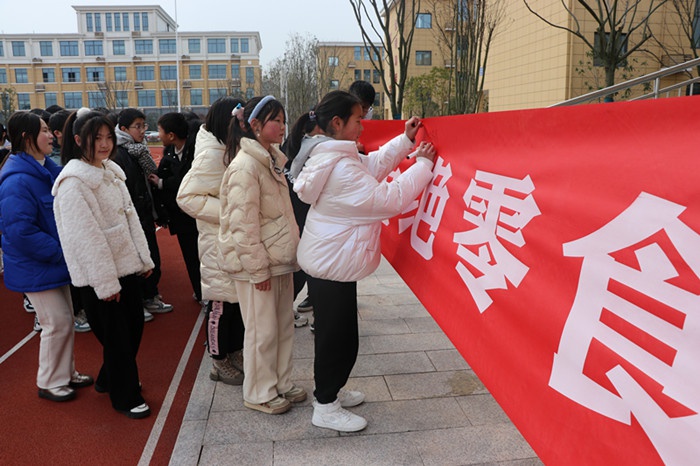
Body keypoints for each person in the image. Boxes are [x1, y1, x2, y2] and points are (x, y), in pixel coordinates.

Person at [292, 90, 436, 432]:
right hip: (332, 264)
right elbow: (389, 198)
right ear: (338, 123)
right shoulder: (340, 168)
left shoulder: (335, 156)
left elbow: (371, 166)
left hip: (332, 261)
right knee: (337, 339)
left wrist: (404, 140)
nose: (363, 125)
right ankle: (325, 405)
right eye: (358, 119)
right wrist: (424, 165)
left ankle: (329, 392)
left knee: (337, 335)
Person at [53, 111, 154, 419]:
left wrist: (143, 258)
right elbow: (86, 239)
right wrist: (105, 284)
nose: (105, 144)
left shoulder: (110, 171)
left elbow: (130, 217)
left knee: (133, 328)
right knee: (118, 338)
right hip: (99, 276)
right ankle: (124, 395)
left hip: (125, 267)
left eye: (109, 137)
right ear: (78, 140)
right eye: (97, 138)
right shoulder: (73, 184)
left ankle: (111, 377)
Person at [219, 95, 304, 415]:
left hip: (278, 260)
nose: (282, 127)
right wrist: (257, 269)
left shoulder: (271, 160)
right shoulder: (245, 166)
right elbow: (242, 223)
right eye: (275, 121)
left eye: (283, 120)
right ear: (254, 125)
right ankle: (258, 391)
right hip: (258, 264)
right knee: (261, 331)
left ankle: (280, 382)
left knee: (282, 327)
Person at [0, 111, 93, 402]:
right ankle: (50, 381)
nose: (51, 135)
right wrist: (61, 251)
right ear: (27, 138)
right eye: (43, 130)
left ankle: (66, 372)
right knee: (57, 322)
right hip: (37, 264)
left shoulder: (47, 170)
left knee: (64, 319)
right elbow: (21, 232)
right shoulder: (16, 181)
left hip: (53, 261)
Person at [177, 97, 246, 386]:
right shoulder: (211, 155)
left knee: (237, 303)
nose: (244, 125)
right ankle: (218, 361)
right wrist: (228, 214)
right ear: (226, 122)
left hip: (233, 241)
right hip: (217, 242)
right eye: (240, 120)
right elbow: (186, 197)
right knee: (220, 305)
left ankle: (234, 351)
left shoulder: (231, 149)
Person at [113, 108, 171, 322]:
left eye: (143, 126)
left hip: (145, 213)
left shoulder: (138, 150)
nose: (142, 130)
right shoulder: (121, 154)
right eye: (137, 126)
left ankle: (149, 296)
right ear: (123, 129)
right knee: (138, 261)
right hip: (134, 215)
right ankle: (140, 301)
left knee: (151, 258)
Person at [148, 112, 202, 303]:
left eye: (160, 131)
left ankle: (209, 292)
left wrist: (163, 182)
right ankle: (200, 292)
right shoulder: (169, 153)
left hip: (199, 214)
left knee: (203, 256)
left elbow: (188, 180)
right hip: (180, 216)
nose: (157, 135)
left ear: (171, 135)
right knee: (190, 257)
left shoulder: (195, 151)